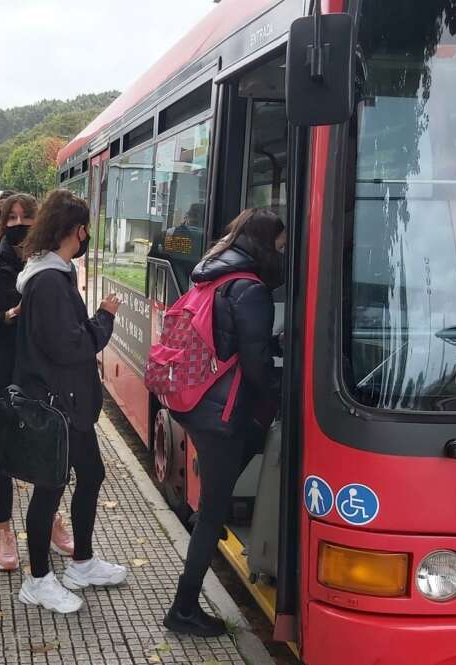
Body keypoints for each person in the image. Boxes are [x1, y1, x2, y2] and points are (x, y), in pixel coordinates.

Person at [164, 208, 284, 637]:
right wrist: (278, 388)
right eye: (280, 243)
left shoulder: (211, 277)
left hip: (198, 402)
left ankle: (201, 521)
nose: (282, 251)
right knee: (215, 509)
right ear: (266, 242)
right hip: (223, 412)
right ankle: (183, 609)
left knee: (222, 486)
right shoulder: (250, 289)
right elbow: (254, 365)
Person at [12, 189, 127, 614]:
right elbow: (70, 345)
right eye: (85, 231)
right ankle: (38, 579)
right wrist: (105, 317)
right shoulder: (49, 282)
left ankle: (81, 561)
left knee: (91, 474)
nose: (86, 238)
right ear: (76, 231)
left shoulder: (50, 274)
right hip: (56, 403)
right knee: (50, 488)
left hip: (67, 402)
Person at [0, 193, 75, 572]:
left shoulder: (55, 264)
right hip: (0, 371)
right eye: (11, 217)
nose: (19, 223)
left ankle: (51, 520)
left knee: (47, 450)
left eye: (28, 216)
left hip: (41, 374)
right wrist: (9, 316)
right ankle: (4, 531)